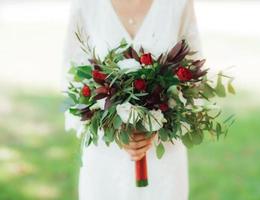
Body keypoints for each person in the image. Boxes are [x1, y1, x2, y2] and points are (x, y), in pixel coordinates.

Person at [63, 0, 203, 199]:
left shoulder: (178, 4)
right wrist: (111, 126)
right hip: (106, 156)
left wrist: (159, 124)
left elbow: (193, 76)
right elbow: (73, 76)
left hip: (163, 158)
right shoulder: (87, 4)